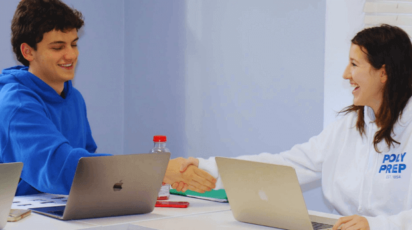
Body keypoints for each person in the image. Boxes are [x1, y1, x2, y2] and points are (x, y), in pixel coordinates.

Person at [173, 24, 412, 230]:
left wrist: (377, 225)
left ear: (384, 72)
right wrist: (207, 167)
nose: (345, 74)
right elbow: (285, 167)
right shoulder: (347, 128)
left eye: (354, 64)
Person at [0, 0, 215, 196]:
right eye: (58, 47)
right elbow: (60, 167)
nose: (71, 55)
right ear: (28, 52)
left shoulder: (73, 98)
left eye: (74, 44)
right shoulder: (16, 105)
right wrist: (155, 170)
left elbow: (87, 159)